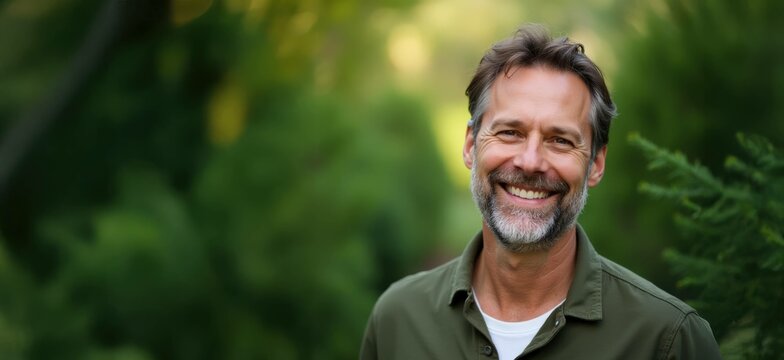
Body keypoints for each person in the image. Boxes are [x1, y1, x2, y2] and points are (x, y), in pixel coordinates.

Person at [359, 24, 722, 359]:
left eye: (560, 140)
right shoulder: (397, 320)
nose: (530, 162)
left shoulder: (667, 340)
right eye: (510, 132)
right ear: (471, 145)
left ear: (595, 164)